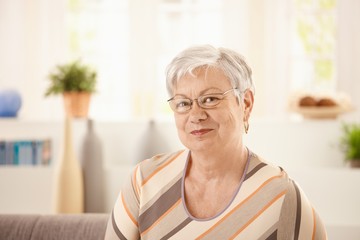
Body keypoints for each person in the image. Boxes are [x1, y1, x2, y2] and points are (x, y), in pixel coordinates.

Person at [104, 45, 327, 239]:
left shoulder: (281, 196)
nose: (196, 115)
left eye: (210, 99)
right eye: (183, 103)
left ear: (246, 104)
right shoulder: (143, 182)